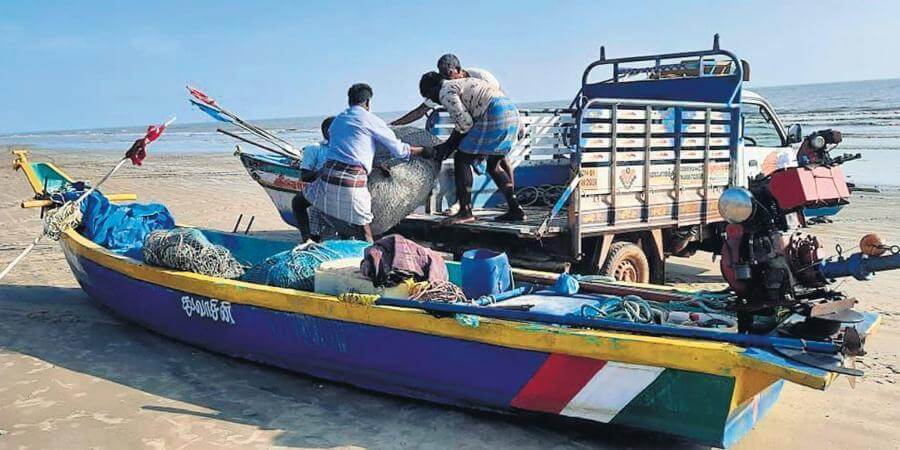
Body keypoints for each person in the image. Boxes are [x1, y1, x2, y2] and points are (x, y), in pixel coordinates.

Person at [292, 83, 425, 242]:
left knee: (298, 203)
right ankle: (371, 261)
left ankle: (306, 241)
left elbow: (348, 150)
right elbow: (399, 150)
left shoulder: (338, 121)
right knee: (365, 231)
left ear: (349, 101)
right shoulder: (372, 121)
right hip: (351, 183)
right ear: (368, 102)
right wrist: (422, 151)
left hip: (327, 178)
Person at [420, 71, 525, 224]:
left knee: (462, 158)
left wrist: (447, 146)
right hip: (511, 112)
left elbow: (465, 124)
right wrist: (449, 145)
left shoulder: (445, 92)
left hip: (495, 112)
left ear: (432, 90)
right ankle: (515, 209)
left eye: (429, 97)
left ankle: (465, 211)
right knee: (494, 165)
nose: (434, 102)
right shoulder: (460, 83)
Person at [391, 54, 503, 126]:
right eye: (441, 75)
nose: (445, 79)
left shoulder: (481, 76)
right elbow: (419, 111)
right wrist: (393, 125)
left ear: (458, 70)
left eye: (448, 74)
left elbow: (499, 97)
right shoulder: (444, 87)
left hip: (492, 117)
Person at [298, 116, 335, 182]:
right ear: (327, 130)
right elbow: (305, 176)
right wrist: (325, 172)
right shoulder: (314, 148)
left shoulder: (345, 149)